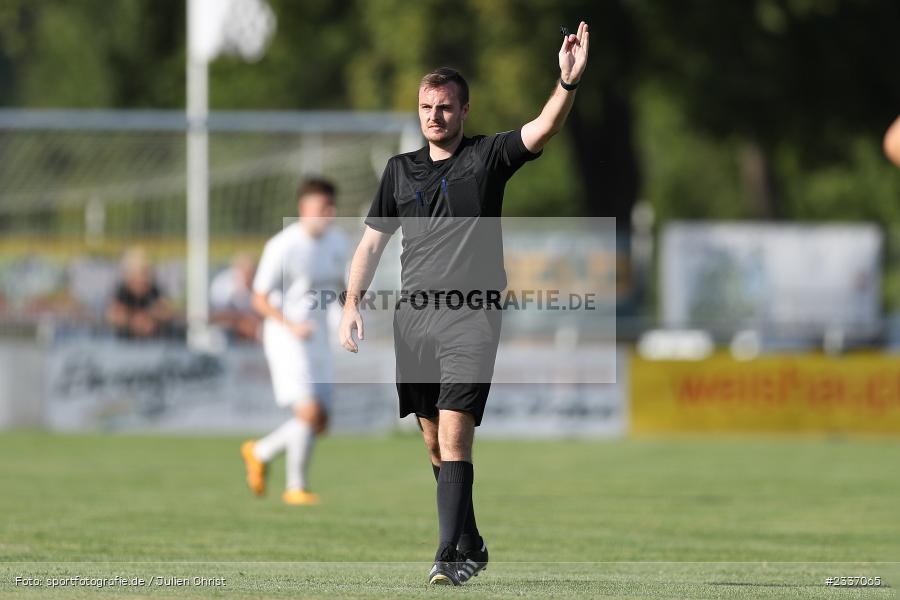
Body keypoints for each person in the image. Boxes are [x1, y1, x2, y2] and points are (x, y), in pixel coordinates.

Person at [338, 23, 590, 585]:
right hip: (413, 321)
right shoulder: (397, 171)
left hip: (472, 315)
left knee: (454, 434)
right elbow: (372, 242)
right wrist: (351, 302)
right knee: (432, 441)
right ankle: (470, 539)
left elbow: (544, 127)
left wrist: (566, 82)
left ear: (464, 110)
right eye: (427, 107)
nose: (435, 116)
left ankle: (447, 559)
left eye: (445, 107)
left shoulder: (488, 157)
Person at [241, 178, 348, 506]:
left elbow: (342, 287)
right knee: (309, 412)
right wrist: (291, 325)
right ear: (303, 209)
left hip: (318, 338)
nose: (326, 214)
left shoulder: (337, 243)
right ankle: (295, 487)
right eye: (320, 208)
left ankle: (259, 451)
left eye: (330, 208)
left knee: (321, 420)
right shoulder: (282, 246)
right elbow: (258, 298)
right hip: (286, 337)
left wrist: (350, 313)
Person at [105, 247, 174, 338]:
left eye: (145, 275)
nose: (141, 280)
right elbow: (112, 316)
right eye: (138, 275)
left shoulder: (154, 290)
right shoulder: (122, 292)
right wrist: (132, 319)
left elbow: (166, 312)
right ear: (128, 276)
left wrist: (151, 316)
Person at [210, 253, 260, 342]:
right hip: (225, 331)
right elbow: (218, 314)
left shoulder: (256, 282)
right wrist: (240, 320)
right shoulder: (222, 285)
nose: (250, 277)